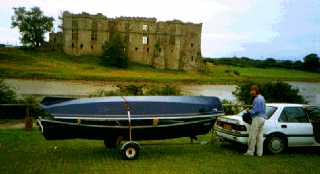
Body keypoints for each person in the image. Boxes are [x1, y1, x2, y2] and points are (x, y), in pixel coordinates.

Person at [244, 85, 266, 157]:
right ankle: (259, 153)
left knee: (253, 135)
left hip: (257, 118)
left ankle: (250, 152)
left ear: (255, 91)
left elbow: (256, 110)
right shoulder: (262, 97)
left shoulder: (257, 99)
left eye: (252, 91)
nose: (251, 92)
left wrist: (248, 111)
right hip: (263, 118)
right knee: (260, 136)